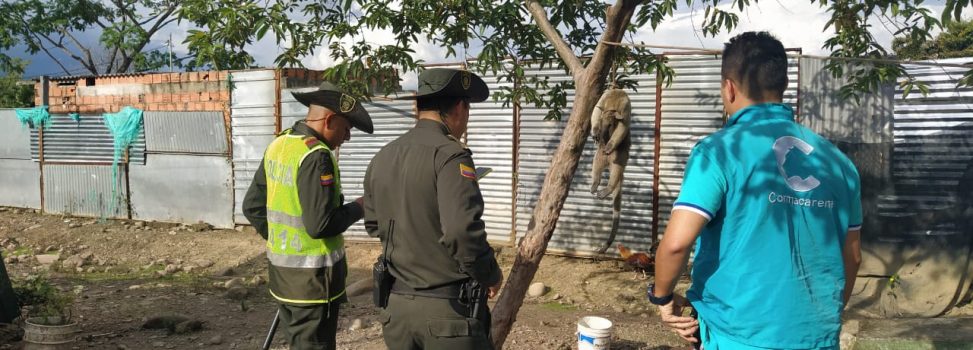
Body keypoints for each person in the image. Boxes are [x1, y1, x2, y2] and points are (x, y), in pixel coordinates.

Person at [650, 31, 863, 350]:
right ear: (784, 86)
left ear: (729, 87)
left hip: (739, 335)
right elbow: (853, 257)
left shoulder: (719, 151)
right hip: (817, 336)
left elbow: (677, 244)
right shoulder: (840, 164)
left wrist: (662, 296)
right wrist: (823, 318)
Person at [363, 68, 503, 350]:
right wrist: (490, 274)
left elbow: (373, 224)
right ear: (461, 108)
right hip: (448, 316)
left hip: (397, 313)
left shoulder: (383, 155)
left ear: (418, 105)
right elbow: (462, 232)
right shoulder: (451, 156)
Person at [242, 81, 373, 350]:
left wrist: (282, 243)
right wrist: (361, 206)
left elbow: (252, 207)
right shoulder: (317, 156)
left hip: (284, 279)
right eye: (347, 129)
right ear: (330, 120)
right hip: (313, 285)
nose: (347, 138)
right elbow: (320, 224)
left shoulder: (280, 144)